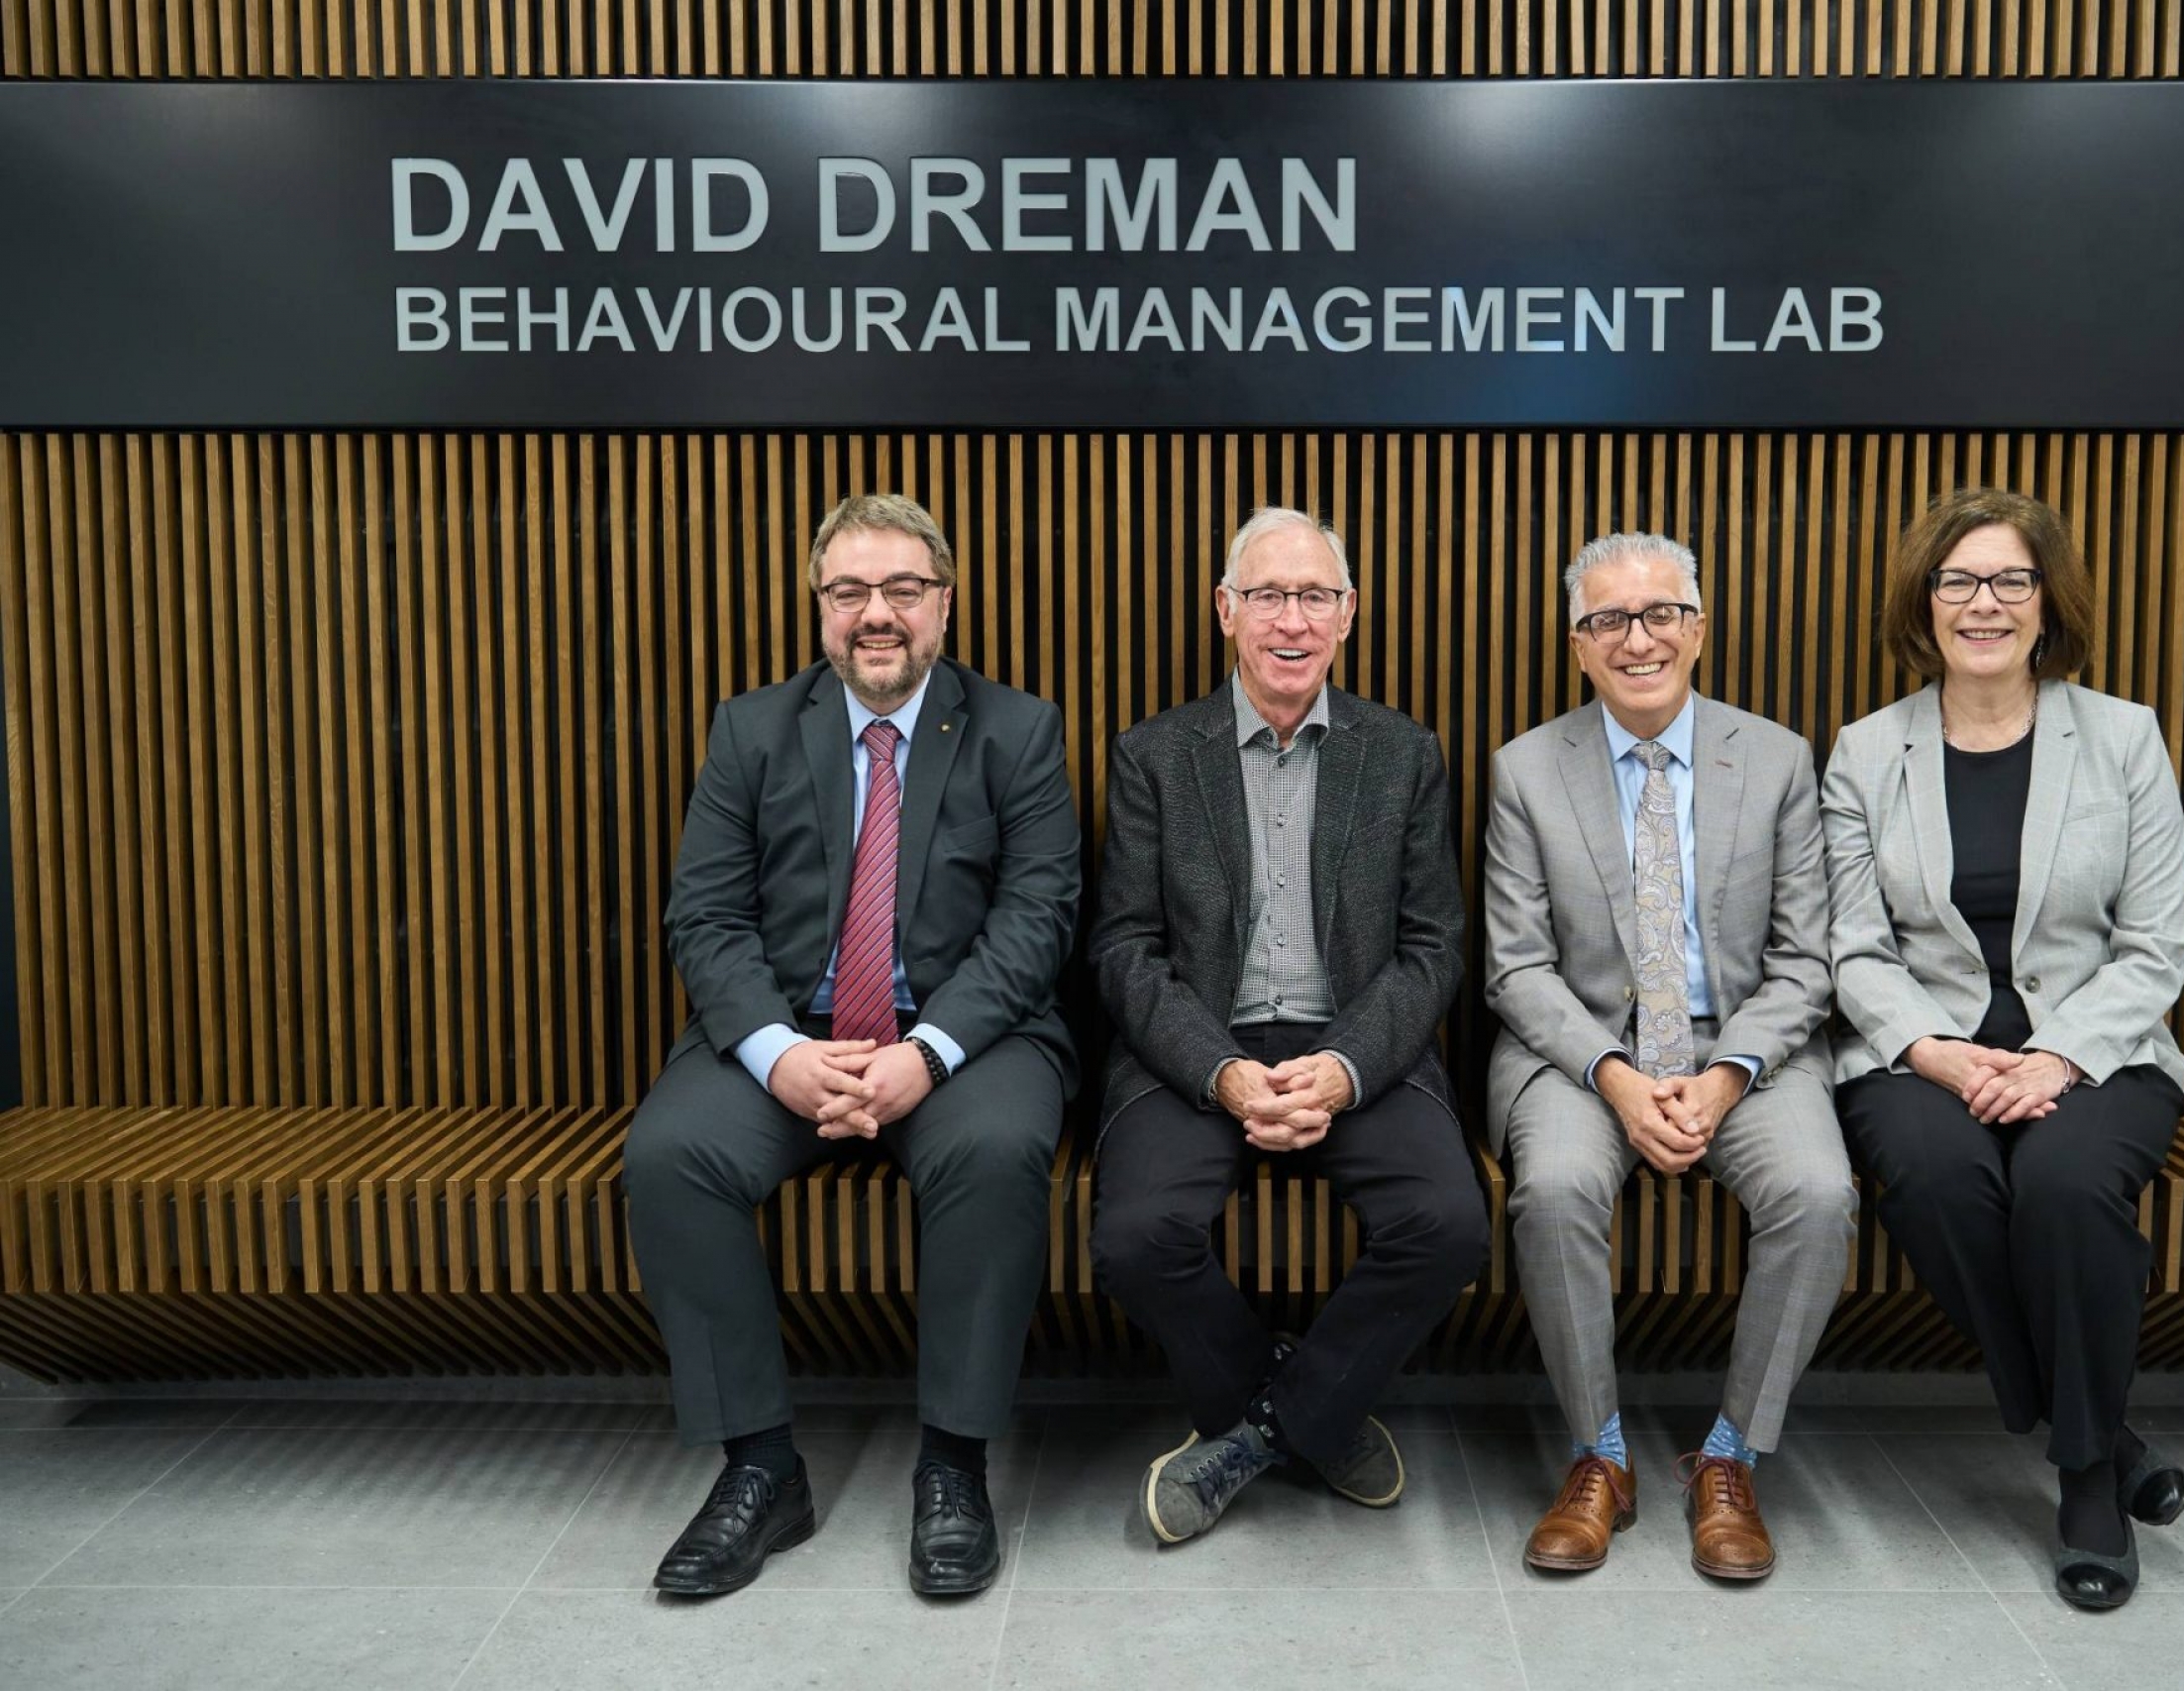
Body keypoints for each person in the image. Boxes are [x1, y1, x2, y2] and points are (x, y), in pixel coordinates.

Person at [623, 493, 1079, 1598]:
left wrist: (926, 1053)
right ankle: (760, 1469)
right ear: (820, 607)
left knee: (993, 1154)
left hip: (969, 1038)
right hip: (792, 1037)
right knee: (671, 1155)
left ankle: (955, 1465)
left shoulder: (1016, 730)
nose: (877, 614)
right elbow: (706, 918)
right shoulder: (751, 729)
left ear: (945, 603)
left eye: (902, 590)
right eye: (849, 592)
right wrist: (779, 1051)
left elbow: (1038, 917)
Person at [1822, 486, 2184, 1612]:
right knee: (1934, 1180)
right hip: (1921, 1055)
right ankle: (2106, 1428)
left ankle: (2084, 1478)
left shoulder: (2122, 737)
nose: (1982, 603)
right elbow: (1851, 943)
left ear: (2047, 603)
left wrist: (2061, 1056)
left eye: (2008, 581)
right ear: (1922, 603)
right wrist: (1931, 1050)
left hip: (2098, 1052)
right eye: (1957, 581)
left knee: (2068, 1186)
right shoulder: (1863, 750)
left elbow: (2156, 937)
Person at [1089, 505, 1490, 1545]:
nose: (1291, 619)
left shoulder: (1401, 753)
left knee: (1448, 1223)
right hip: (1195, 1049)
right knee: (1134, 1238)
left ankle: (1257, 1432)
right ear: (1225, 610)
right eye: (1267, 594)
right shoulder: (1154, 755)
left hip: (1359, 1046)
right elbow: (1124, 949)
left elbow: (1431, 947)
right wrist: (1219, 1071)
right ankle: (1311, 1409)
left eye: (1315, 595)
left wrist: (1346, 1065)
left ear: (1348, 615)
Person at [1482, 532, 1855, 1580]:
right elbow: (1515, 969)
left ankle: (1730, 1458)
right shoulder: (1524, 769)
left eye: (1659, 615)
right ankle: (1598, 1455)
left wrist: (1728, 1072)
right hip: (1581, 1055)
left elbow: (1805, 958)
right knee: (1550, 1189)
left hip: (1741, 1049)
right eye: (1608, 620)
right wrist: (1617, 1076)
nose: (1636, 638)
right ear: (1577, 646)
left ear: (1698, 628)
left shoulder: (1776, 758)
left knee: (1820, 1194)